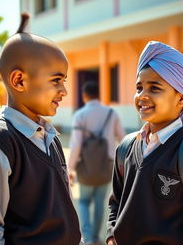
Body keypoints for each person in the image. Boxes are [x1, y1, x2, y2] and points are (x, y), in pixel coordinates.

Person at [0, 13, 81, 245]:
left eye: (64, 81)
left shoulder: (51, 138)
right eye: (56, 80)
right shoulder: (0, 144)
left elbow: (64, 211)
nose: (64, 91)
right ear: (19, 80)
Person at [106, 41, 183, 245]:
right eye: (139, 87)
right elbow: (115, 202)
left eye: (154, 88)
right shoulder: (125, 147)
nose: (142, 95)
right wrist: (110, 237)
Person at [68, 81, 125, 245]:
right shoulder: (111, 113)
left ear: (84, 96)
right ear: (98, 95)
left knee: (84, 202)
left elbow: (76, 145)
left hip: (85, 167)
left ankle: (88, 238)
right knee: (101, 202)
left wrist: (70, 169)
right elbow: (122, 138)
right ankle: (96, 237)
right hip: (107, 166)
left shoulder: (80, 115)